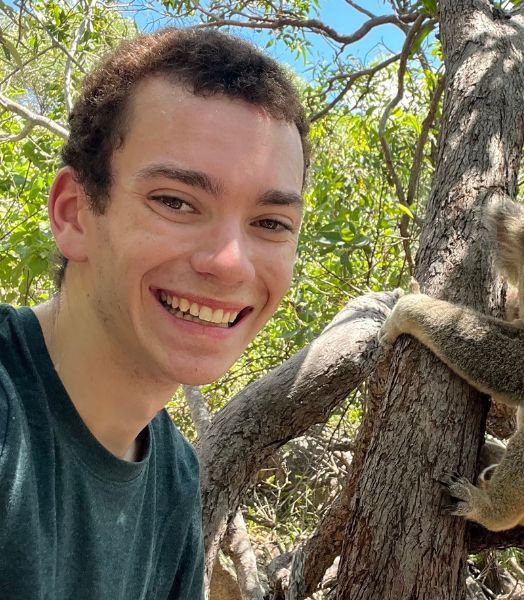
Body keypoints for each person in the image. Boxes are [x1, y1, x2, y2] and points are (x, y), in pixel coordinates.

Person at [0, 27, 309, 598]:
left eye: (270, 223)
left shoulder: (174, 475)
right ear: (73, 214)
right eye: (175, 201)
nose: (228, 263)